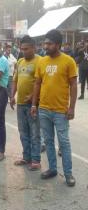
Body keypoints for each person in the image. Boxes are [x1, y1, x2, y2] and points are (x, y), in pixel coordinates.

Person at [31, 29, 77, 187]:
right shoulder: (42, 61)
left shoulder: (68, 61)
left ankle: (69, 173)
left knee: (64, 142)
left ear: (58, 44)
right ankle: (52, 169)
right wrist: (33, 104)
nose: (46, 46)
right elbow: (37, 83)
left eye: (49, 43)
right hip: (44, 109)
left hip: (60, 111)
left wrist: (72, 108)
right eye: (45, 43)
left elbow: (73, 85)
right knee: (49, 141)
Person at [10, 35, 41, 171]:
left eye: (26, 49)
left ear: (34, 48)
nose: (24, 51)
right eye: (22, 49)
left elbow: (42, 83)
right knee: (23, 132)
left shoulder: (40, 61)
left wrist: (34, 97)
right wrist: (12, 96)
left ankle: (35, 160)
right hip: (21, 104)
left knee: (34, 133)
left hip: (33, 104)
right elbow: (15, 80)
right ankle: (26, 157)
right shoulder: (20, 61)